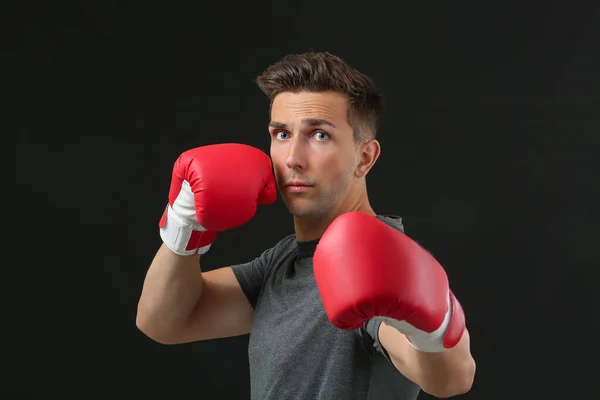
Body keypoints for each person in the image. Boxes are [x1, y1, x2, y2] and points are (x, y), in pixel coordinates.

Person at [136, 51, 476, 399]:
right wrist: (185, 224)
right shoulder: (284, 262)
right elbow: (164, 321)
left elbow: (450, 379)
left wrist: (436, 328)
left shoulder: (371, 259)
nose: (293, 159)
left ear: (365, 157)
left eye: (319, 135)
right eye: (282, 134)